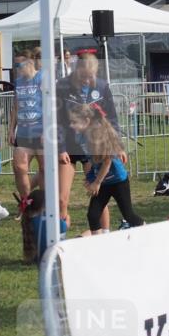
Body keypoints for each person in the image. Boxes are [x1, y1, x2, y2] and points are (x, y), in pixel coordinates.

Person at [55, 49, 120, 230]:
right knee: (61, 198)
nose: (87, 81)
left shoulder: (101, 86)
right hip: (69, 146)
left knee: (99, 195)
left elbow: (112, 118)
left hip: (93, 147)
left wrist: (117, 146)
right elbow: (57, 120)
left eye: (91, 76)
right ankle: (60, 241)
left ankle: (104, 235)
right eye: (84, 77)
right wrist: (60, 148)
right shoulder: (62, 86)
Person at [67, 103, 144, 234]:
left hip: (118, 181)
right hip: (103, 182)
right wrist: (91, 176)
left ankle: (146, 231)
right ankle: (98, 245)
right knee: (93, 215)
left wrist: (96, 182)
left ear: (86, 121)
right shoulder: (81, 136)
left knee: (129, 215)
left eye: (74, 122)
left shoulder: (98, 135)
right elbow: (93, 160)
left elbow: (107, 162)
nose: (71, 125)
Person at [9, 51, 45, 205]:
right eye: (15, 65)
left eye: (19, 65)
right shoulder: (19, 81)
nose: (17, 68)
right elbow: (16, 106)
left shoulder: (41, 78)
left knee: (44, 169)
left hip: (40, 131)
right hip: (23, 132)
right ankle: (26, 203)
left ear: (29, 63)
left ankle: (44, 204)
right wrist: (11, 129)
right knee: (19, 167)